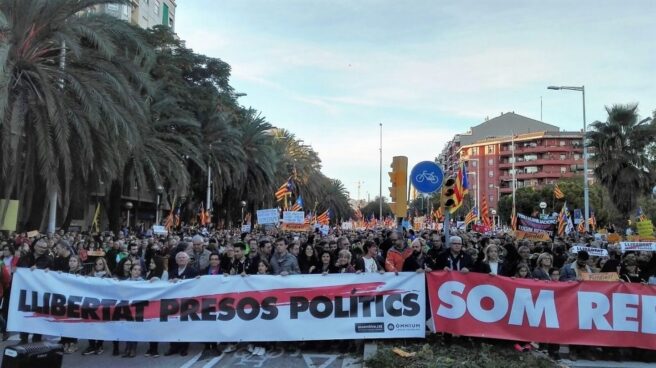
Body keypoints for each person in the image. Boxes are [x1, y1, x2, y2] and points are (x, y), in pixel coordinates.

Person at [17, 238, 53, 344]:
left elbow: (54, 276)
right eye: (40, 246)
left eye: (44, 248)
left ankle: (37, 339)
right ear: (35, 246)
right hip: (25, 291)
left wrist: (49, 272)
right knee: (25, 315)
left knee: (38, 316)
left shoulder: (49, 260)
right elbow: (18, 271)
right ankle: (23, 338)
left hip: (40, 293)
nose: (42, 249)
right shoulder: (24, 258)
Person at [165, 252, 198, 356]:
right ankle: (173, 347)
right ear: (176, 260)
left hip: (186, 302)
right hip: (173, 302)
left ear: (188, 260)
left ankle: (184, 347)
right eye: (179, 258)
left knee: (184, 325)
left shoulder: (193, 271)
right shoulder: (172, 272)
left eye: (184, 257)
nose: (181, 259)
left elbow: (195, 285)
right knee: (173, 324)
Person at [81, 257, 111, 355]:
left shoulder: (109, 277)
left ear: (104, 265)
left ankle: (99, 345)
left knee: (101, 326)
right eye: (96, 264)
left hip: (103, 305)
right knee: (90, 325)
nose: (98, 266)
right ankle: (92, 345)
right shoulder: (89, 276)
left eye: (100, 264)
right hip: (91, 305)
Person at [122, 264, 144, 358]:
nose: (137, 272)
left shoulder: (144, 282)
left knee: (135, 328)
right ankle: (127, 347)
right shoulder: (124, 282)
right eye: (135, 269)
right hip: (127, 308)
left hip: (138, 308)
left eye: (139, 270)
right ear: (130, 271)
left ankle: (133, 348)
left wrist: (155, 279)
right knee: (128, 328)